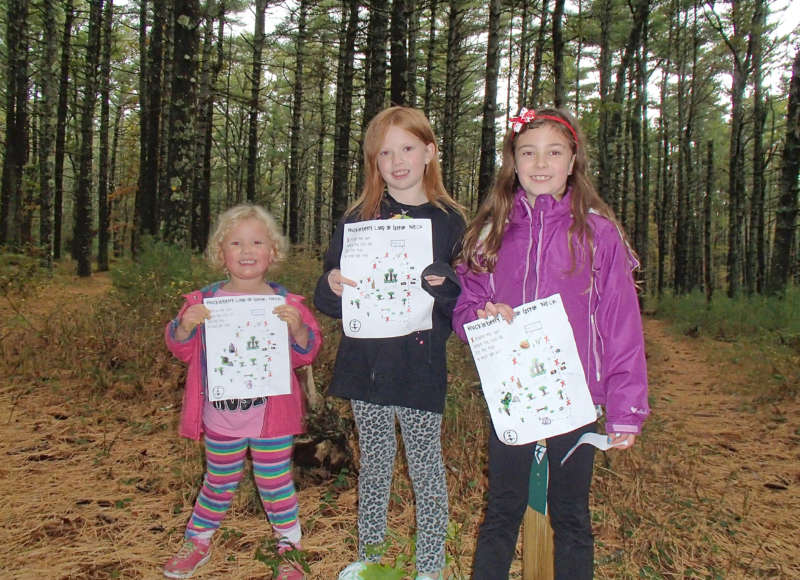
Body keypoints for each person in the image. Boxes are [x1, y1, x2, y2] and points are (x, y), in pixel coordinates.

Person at [452, 107, 650, 579]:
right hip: (513, 398)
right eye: (529, 152)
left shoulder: (598, 234)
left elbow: (620, 323)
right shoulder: (490, 233)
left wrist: (626, 407)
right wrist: (482, 317)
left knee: (571, 515)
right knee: (502, 510)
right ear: (513, 161)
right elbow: (465, 308)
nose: (541, 163)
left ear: (572, 159)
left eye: (554, 152)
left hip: (576, 399)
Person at [314, 106, 466, 580]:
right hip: (367, 363)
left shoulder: (451, 222)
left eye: (407, 148)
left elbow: (460, 302)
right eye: (385, 153)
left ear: (429, 152)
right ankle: (372, 561)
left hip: (419, 365)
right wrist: (332, 286)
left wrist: (447, 287)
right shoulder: (358, 221)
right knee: (375, 463)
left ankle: (430, 568)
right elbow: (330, 296)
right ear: (373, 162)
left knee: (426, 467)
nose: (397, 161)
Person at [163, 204, 322, 580]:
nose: (246, 250)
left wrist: (298, 330)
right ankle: (198, 541)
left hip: (272, 418)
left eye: (256, 242)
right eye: (235, 243)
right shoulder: (203, 303)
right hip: (221, 415)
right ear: (221, 253)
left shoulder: (287, 304)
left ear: (273, 252)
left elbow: (308, 352)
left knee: (275, 482)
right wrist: (184, 327)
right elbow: (181, 348)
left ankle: (289, 549)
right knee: (217, 481)